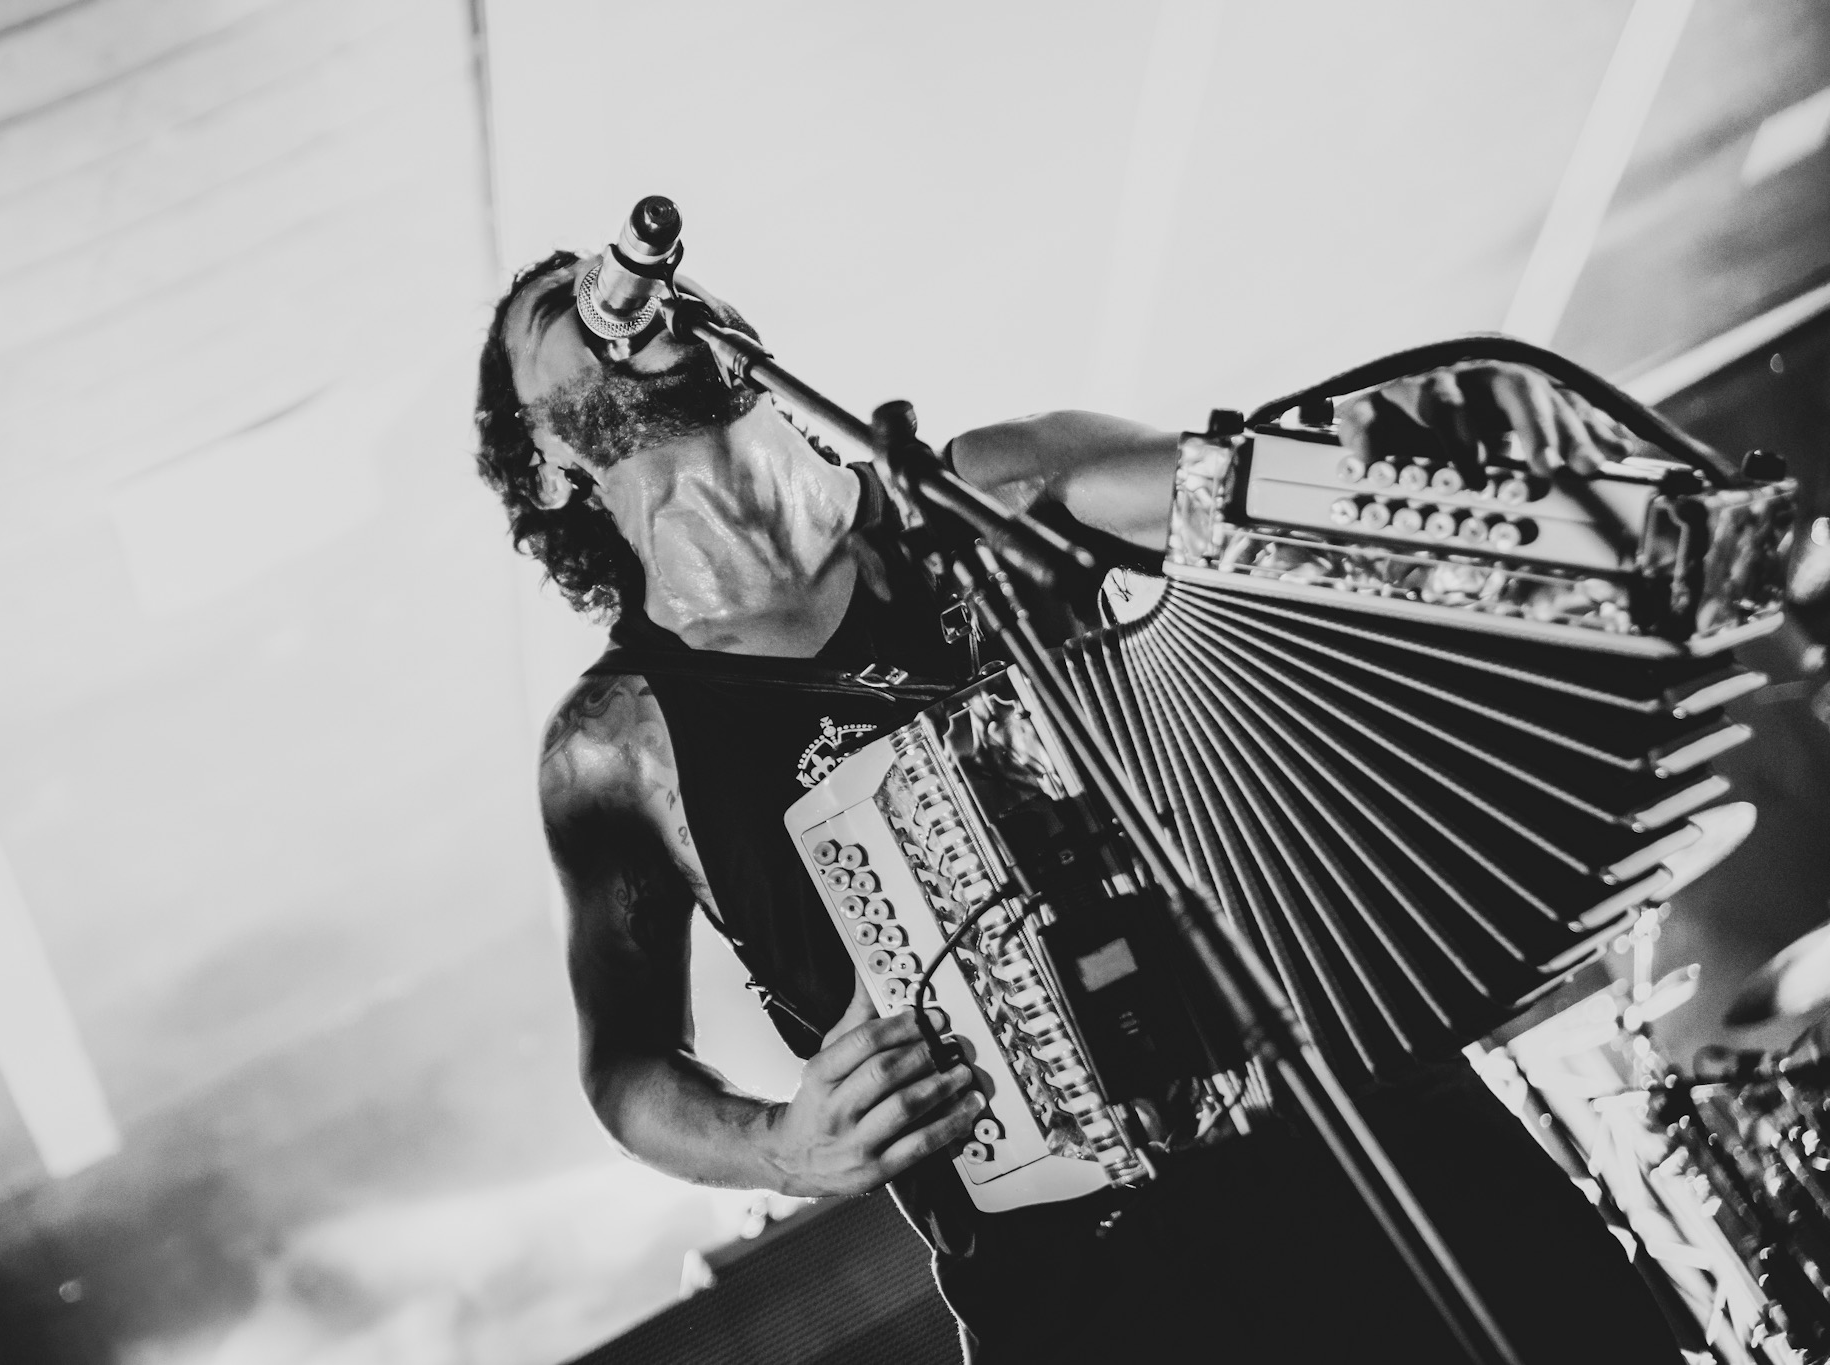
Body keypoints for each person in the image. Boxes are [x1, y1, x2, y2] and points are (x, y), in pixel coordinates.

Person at [475, 248, 1684, 1362]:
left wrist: (1551, 505)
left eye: (625, 286)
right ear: (542, 460)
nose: (606, 301)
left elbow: (1296, 503)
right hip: (1087, 1292)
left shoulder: (995, 487)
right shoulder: (614, 746)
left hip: (1363, 1121)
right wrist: (782, 1149)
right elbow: (626, 1065)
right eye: (555, 313)